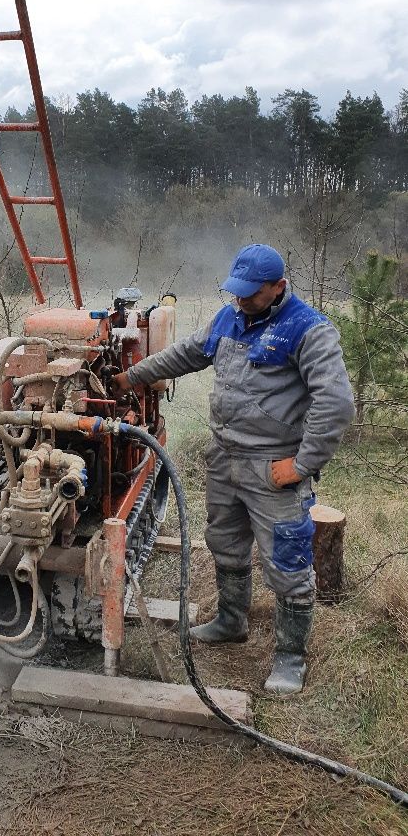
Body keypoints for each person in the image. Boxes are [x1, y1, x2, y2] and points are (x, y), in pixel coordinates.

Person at [110, 244, 355, 695]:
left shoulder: (309, 330)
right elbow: (186, 353)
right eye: (236, 292)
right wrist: (132, 376)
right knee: (224, 539)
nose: (240, 300)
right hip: (225, 458)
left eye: (251, 294)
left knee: (287, 559)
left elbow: (336, 404)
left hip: (273, 469)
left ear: (278, 287)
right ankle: (231, 620)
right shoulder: (230, 318)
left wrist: (302, 464)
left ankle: (290, 657)